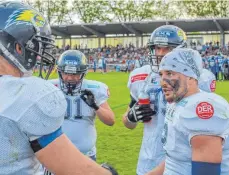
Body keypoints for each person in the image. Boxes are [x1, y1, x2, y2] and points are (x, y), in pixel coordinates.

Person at [0, 1, 118, 175]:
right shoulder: (30, 93)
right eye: (35, 48)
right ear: (17, 46)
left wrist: (95, 106)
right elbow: (77, 169)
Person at [148, 47, 229, 175]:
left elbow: (206, 171)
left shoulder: (201, 107)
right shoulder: (177, 102)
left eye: (170, 73)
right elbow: (175, 158)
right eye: (161, 74)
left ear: (190, 77)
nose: (162, 82)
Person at [122, 25, 187, 175]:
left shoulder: (194, 78)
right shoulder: (140, 76)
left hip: (179, 162)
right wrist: (131, 116)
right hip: (148, 159)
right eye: (157, 48)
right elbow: (127, 123)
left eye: (167, 49)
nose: (160, 54)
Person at [49, 50, 115, 162]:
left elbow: (110, 120)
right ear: (60, 72)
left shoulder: (95, 89)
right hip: (56, 156)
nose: (70, 78)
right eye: (66, 73)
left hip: (85, 156)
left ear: (83, 73)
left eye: (75, 74)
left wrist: (95, 106)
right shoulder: (49, 88)